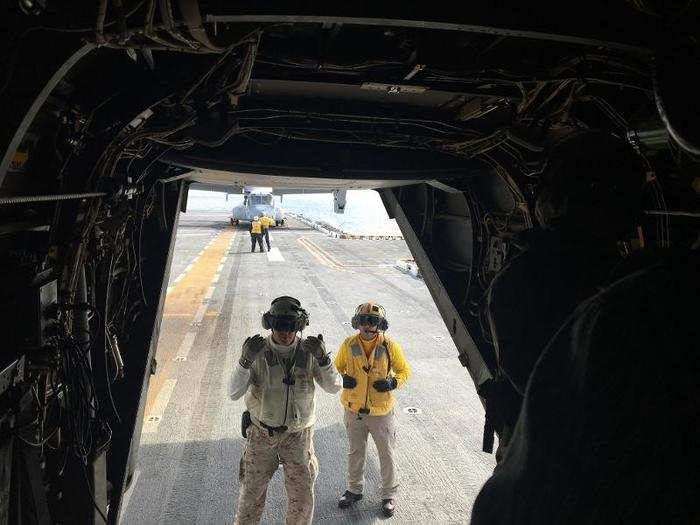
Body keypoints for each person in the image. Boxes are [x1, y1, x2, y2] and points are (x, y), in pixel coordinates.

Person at [230, 296, 341, 525]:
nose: (285, 332)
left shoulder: (310, 352)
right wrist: (244, 361)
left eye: (291, 326)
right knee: (251, 495)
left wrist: (324, 360)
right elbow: (233, 392)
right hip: (261, 434)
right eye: (280, 325)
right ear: (270, 324)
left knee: (302, 498)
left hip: (298, 436)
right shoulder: (257, 352)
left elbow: (334, 387)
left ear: (299, 326)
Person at [334, 302, 411, 517]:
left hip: (381, 412)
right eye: (364, 321)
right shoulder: (348, 344)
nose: (368, 326)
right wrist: (343, 378)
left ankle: (388, 495)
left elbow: (404, 370)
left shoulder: (389, 346)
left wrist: (393, 383)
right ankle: (354, 490)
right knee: (355, 452)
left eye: (373, 321)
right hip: (353, 410)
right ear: (356, 323)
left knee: (386, 453)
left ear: (381, 324)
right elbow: (336, 366)